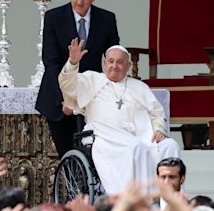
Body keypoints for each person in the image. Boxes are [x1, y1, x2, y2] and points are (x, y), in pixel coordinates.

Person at [59, 41, 180, 194]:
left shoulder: (139, 87)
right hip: (105, 136)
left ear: (128, 66)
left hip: (138, 135)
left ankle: (170, 202)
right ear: (104, 63)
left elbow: (156, 112)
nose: (114, 65)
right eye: (111, 61)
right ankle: (138, 202)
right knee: (135, 148)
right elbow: (67, 85)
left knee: (170, 146)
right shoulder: (92, 80)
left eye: (120, 62)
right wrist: (73, 62)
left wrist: (159, 129)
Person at [35, 0, 120, 158]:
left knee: (94, 156)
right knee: (69, 157)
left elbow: (113, 56)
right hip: (60, 101)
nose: (80, 2)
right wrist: (65, 99)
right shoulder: (53, 17)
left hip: (92, 99)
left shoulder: (107, 19)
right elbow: (50, 62)